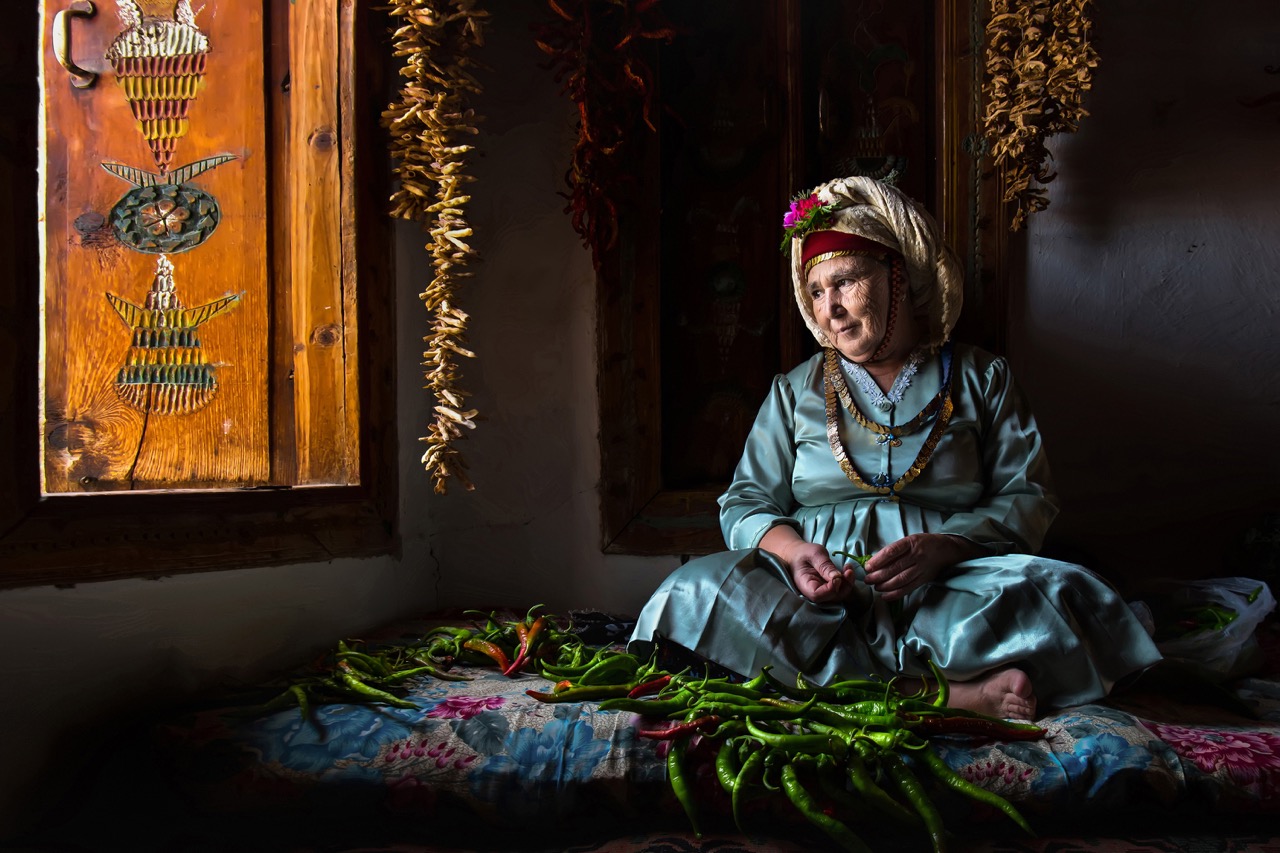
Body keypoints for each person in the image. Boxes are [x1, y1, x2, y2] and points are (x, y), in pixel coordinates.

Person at [628, 176, 1162, 720]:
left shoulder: (983, 377)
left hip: (949, 586)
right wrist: (797, 556)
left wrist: (948, 547)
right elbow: (744, 502)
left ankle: (858, 686)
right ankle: (950, 696)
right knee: (692, 592)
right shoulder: (794, 391)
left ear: (899, 278)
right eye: (816, 291)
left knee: (1062, 593)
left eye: (847, 281)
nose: (829, 309)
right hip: (817, 596)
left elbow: (1028, 495)